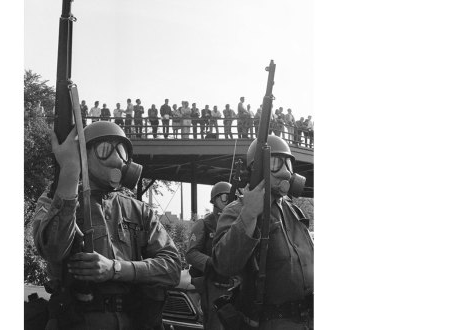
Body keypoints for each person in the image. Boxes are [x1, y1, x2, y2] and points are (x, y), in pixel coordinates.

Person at [32, 122, 182, 330]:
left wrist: (116, 269)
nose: (116, 159)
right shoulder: (55, 200)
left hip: (136, 320)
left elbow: (172, 268)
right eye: (104, 149)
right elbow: (54, 250)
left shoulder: (140, 211)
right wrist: (69, 173)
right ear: (83, 155)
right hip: (77, 321)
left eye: (122, 151)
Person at [212, 135, 314, 330]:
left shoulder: (293, 210)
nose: (285, 172)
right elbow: (225, 265)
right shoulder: (237, 210)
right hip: (271, 322)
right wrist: (249, 214)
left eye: (288, 163)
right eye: (275, 163)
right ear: (256, 169)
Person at [186, 182, 237, 330]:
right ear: (214, 200)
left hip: (238, 284)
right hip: (216, 285)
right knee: (216, 324)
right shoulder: (204, 224)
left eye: (232, 197)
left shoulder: (239, 222)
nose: (228, 200)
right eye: (224, 197)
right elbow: (191, 254)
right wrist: (212, 262)